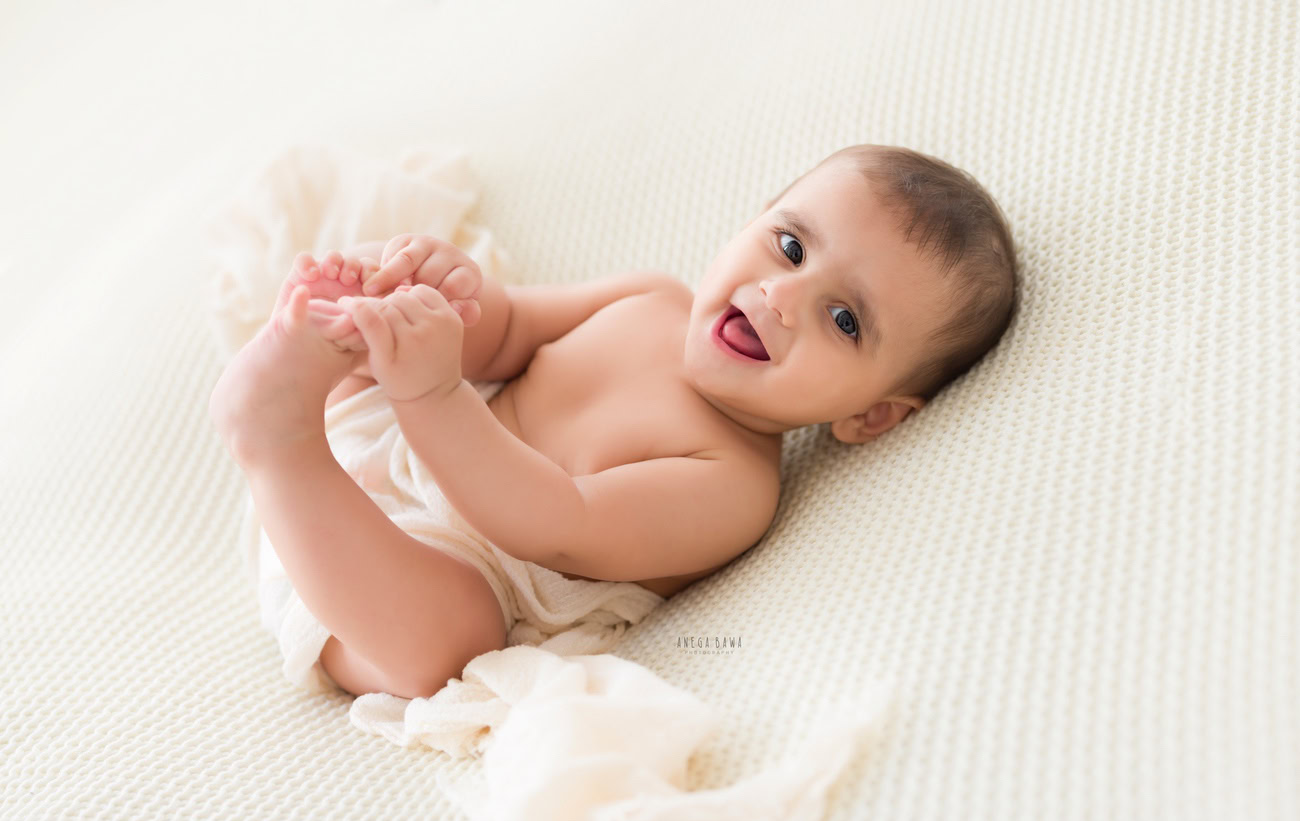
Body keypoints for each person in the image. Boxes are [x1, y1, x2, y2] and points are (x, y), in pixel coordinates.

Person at [208, 143, 1018, 700]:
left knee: (448, 645)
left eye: (844, 319)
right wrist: (450, 297)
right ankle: (315, 344)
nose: (781, 297)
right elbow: (509, 330)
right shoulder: (649, 297)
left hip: (407, 566)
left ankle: (278, 443)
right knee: (385, 329)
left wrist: (431, 395)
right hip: (379, 440)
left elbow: (554, 520)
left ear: (872, 415)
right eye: (790, 247)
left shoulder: (731, 483)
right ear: (754, 219)